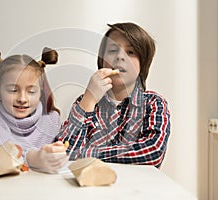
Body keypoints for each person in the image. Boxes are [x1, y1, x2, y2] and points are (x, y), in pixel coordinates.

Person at [56, 22, 170, 168]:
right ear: (102, 61)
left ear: (143, 65)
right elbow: (63, 153)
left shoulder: (154, 103)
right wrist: (89, 99)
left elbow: (153, 152)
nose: (120, 57)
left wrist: (87, 154)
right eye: (112, 50)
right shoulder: (85, 102)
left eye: (131, 52)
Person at [0, 47, 67, 173]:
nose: (22, 99)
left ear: (41, 93)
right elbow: (3, 148)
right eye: (13, 90)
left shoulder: (52, 119)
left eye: (31, 91)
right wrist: (34, 158)